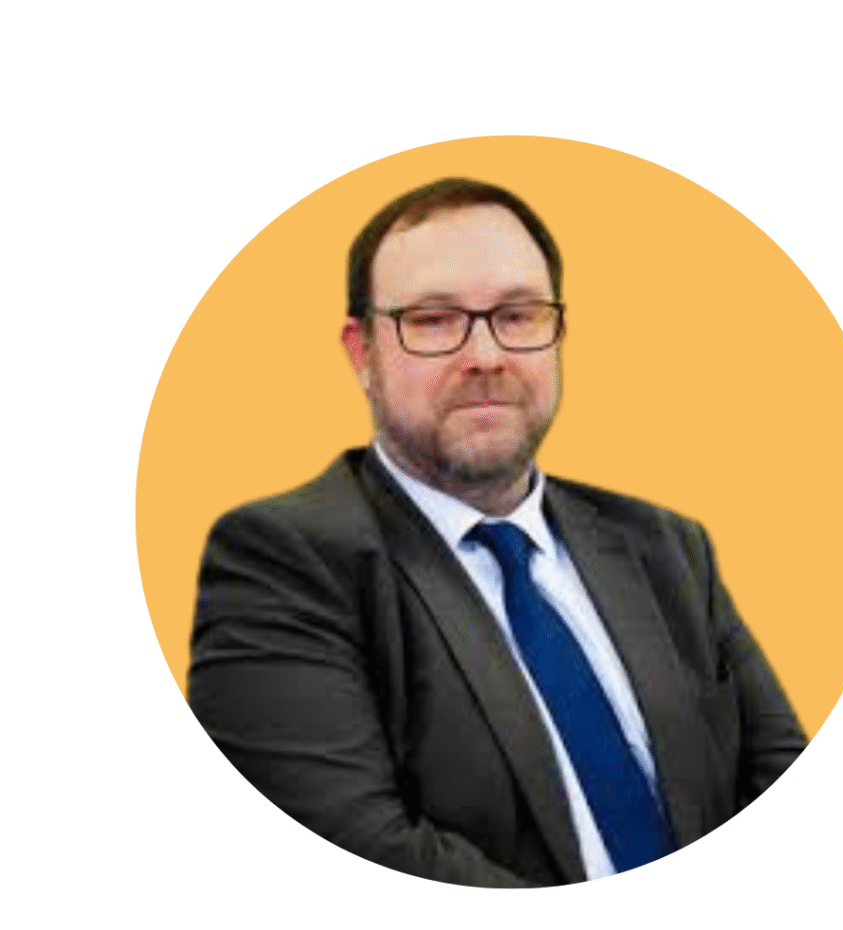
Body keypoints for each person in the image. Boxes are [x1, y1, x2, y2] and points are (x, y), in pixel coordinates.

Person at [188, 178, 807, 887]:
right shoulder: (281, 561)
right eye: (432, 319)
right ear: (362, 353)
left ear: (558, 335)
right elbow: (361, 854)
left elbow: (781, 780)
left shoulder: (667, 547)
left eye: (517, 314)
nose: (485, 355)